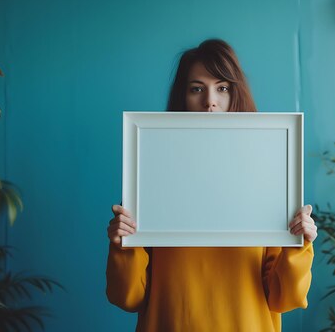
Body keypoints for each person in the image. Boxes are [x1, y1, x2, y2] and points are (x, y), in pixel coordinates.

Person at [106, 39, 317, 332]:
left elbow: (285, 297)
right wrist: (122, 245)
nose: (210, 101)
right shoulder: (151, 176)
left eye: (222, 88)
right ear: (182, 97)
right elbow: (128, 297)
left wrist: (299, 244)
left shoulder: (268, 176)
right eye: (196, 88)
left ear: (236, 94)